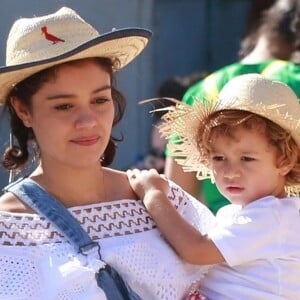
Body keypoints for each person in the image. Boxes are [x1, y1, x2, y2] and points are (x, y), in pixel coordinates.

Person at [0, 7, 217, 300]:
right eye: (64, 106)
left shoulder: (161, 198)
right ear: (23, 109)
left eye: (100, 99)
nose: (88, 121)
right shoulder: (8, 229)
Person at [127, 73, 300, 299]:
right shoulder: (244, 213)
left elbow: (196, 251)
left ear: (284, 161)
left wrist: (153, 196)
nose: (230, 172)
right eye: (219, 158)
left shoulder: (272, 216)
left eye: (247, 159)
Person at [165, 0, 300, 215]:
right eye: (218, 157)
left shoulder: (198, 92)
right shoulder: (295, 79)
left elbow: (176, 196)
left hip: (216, 240)